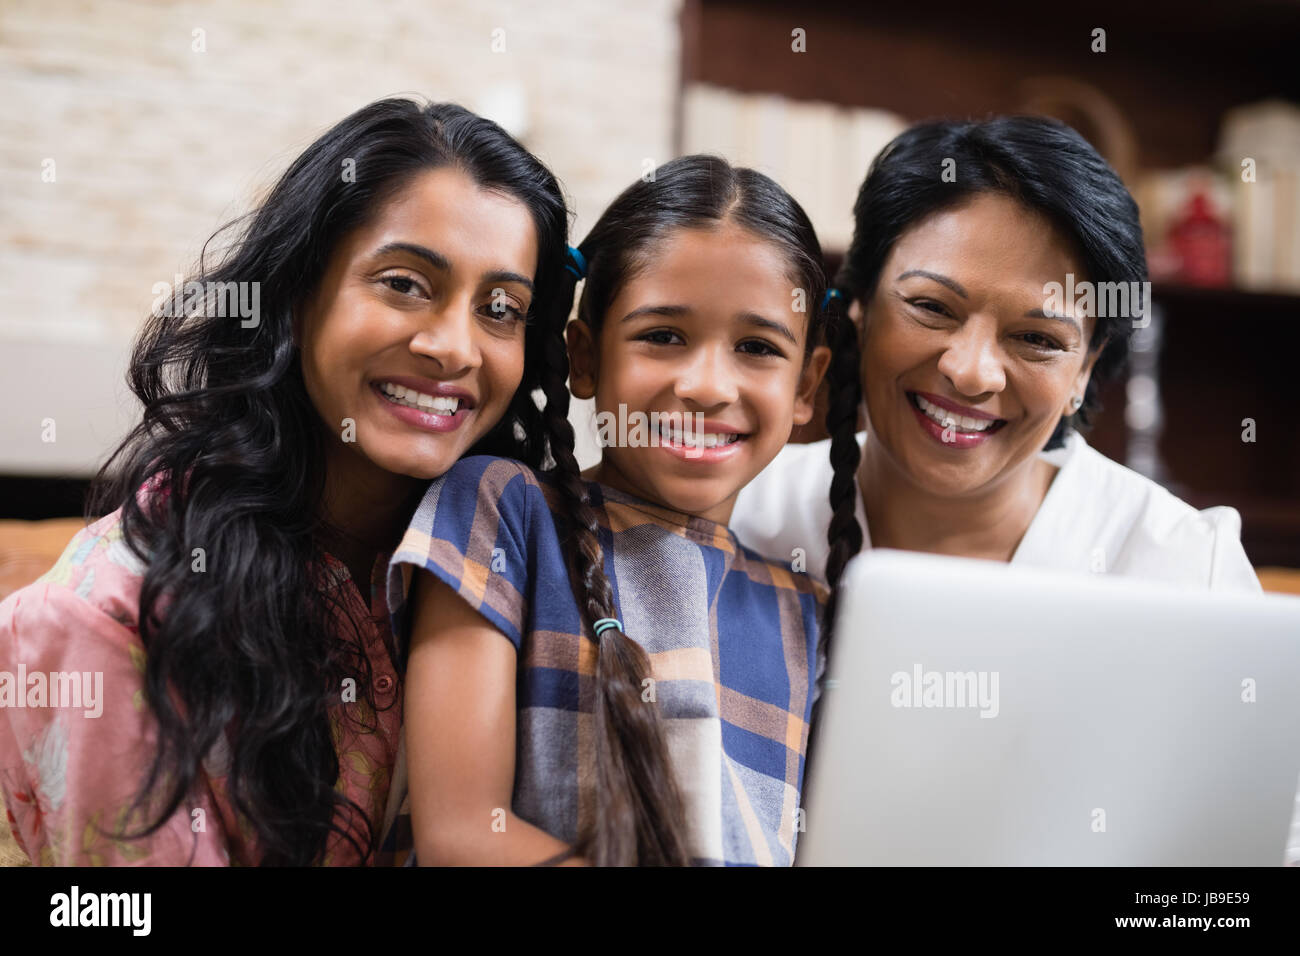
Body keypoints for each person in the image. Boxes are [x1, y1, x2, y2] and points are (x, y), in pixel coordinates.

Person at [0, 98, 571, 865]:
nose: (453, 348)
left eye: (501, 309)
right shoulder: (110, 619)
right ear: (296, 298)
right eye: (404, 284)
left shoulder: (511, 576)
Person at [386, 155, 858, 866]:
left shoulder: (807, 615)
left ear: (807, 387)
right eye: (664, 335)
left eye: (757, 348)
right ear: (583, 356)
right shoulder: (502, 511)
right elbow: (459, 834)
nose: (706, 386)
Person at [731, 117, 1261, 596]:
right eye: (932, 307)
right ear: (860, 310)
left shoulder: (1185, 568)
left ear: (1085, 370)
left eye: (1037, 339)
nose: (969, 372)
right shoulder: (740, 514)